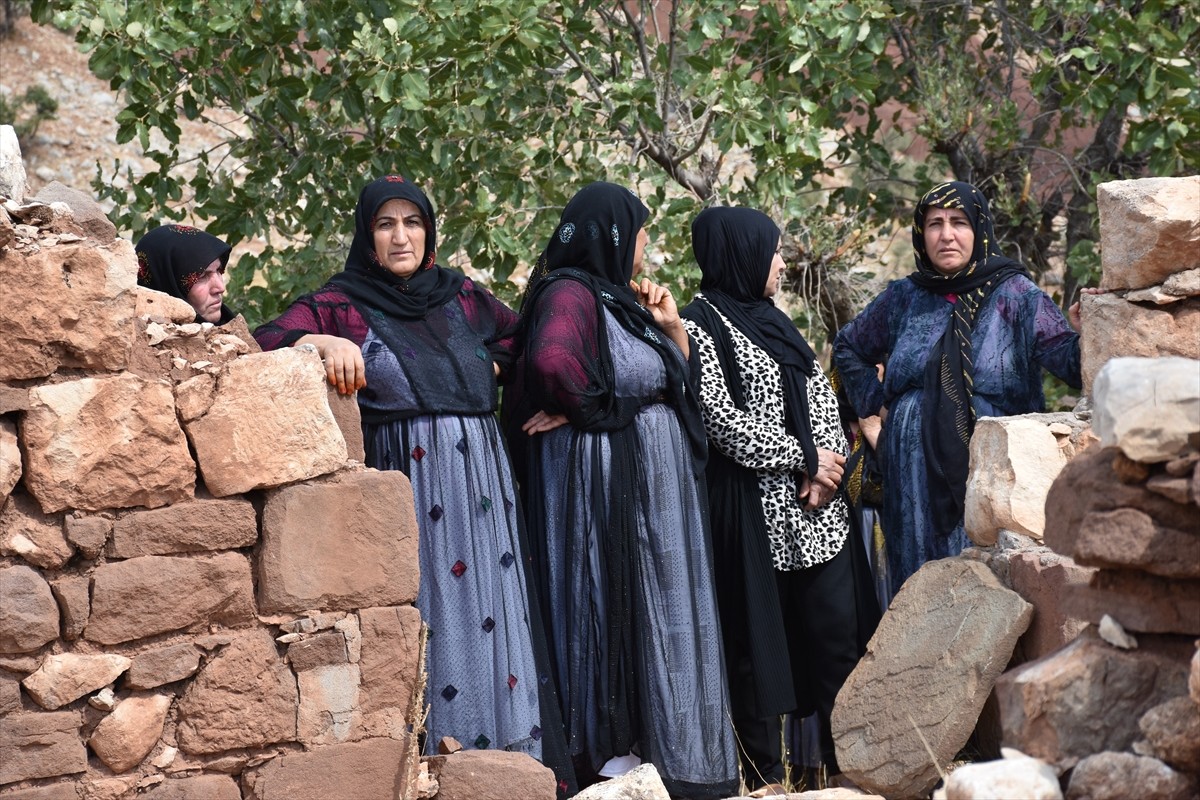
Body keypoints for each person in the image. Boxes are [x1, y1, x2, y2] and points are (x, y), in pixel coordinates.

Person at [254, 175, 575, 795]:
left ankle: (515, 772)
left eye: (412, 223)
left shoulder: (459, 296)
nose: (400, 236)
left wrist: (555, 395)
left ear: (429, 231)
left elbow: (528, 339)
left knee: (496, 612)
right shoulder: (342, 303)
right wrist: (317, 341)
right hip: (412, 484)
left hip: (483, 484)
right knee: (436, 619)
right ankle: (440, 775)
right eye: (384, 224)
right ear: (366, 235)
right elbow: (264, 339)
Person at [509, 182, 738, 797]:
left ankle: (661, 758)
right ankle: (612, 762)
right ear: (609, 234)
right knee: (608, 604)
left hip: (644, 481)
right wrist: (594, 405)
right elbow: (553, 363)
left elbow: (672, 380)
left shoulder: (620, 299)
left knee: (652, 604)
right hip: (602, 483)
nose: (644, 243)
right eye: (639, 230)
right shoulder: (570, 291)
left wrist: (671, 329)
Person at [678, 206, 878, 787]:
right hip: (752, 516)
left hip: (819, 516)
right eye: (772, 251)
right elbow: (721, 420)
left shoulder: (775, 321)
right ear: (739, 254)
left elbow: (818, 401)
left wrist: (825, 470)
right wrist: (806, 458)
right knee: (754, 653)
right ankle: (764, 783)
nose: (782, 263)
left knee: (836, 643)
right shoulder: (699, 325)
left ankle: (852, 777)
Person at [833, 180, 1082, 598]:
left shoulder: (1015, 294)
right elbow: (849, 347)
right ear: (921, 234)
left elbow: (1070, 363)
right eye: (934, 224)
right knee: (917, 580)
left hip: (991, 465)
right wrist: (880, 408)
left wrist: (1084, 329)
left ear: (979, 229)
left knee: (990, 583)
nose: (946, 235)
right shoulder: (904, 297)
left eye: (959, 222)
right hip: (911, 469)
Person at [135, 224, 237, 324]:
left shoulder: (236, 335)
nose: (220, 288)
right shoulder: (137, 338)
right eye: (202, 276)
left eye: (219, 270)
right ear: (167, 284)